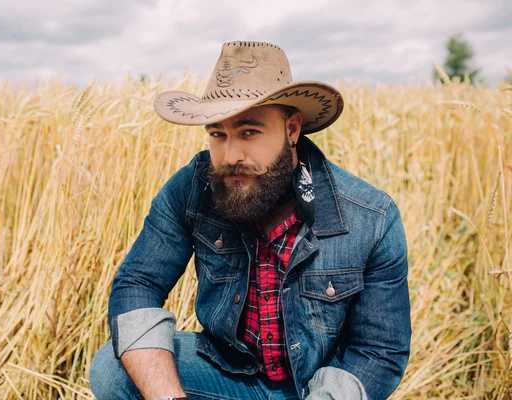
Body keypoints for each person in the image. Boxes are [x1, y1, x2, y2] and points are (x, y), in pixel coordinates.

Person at [89, 41, 411, 400]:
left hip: (316, 390)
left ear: (291, 130)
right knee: (111, 369)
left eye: (249, 132)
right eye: (217, 134)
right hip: (226, 376)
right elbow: (137, 283)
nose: (231, 155)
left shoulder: (370, 216)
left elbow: (380, 351)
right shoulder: (192, 188)